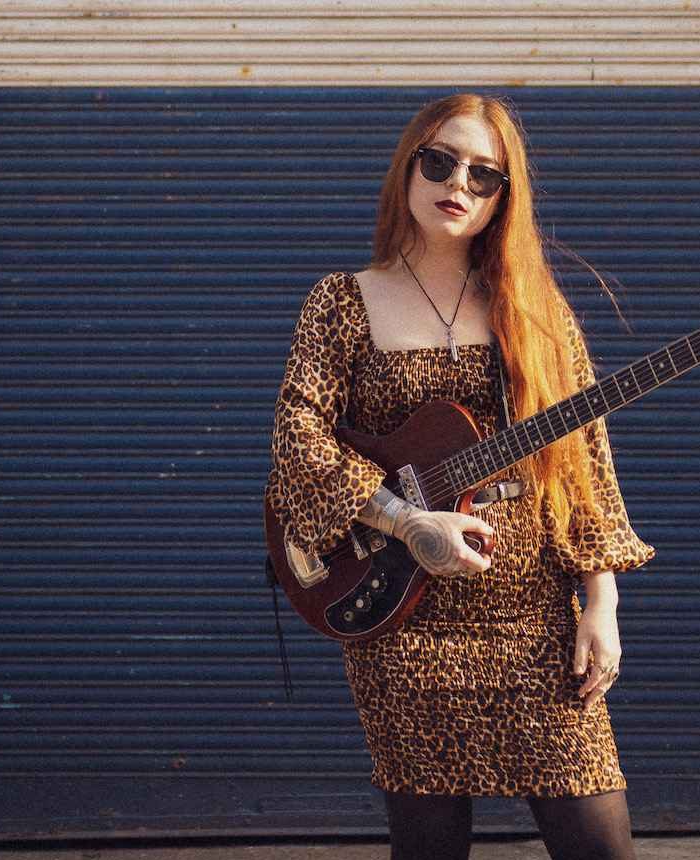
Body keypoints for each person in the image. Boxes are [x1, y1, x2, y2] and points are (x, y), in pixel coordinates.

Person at [265, 93, 655, 860]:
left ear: (505, 197)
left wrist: (601, 602)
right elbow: (296, 439)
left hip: (532, 622)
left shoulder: (534, 312)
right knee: (429, 846)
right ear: (407, 168)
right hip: (401, 621)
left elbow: (583, 463)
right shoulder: (342, 301)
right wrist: (404, 520)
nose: (458, 185)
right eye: (440, 162)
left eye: (484, 175)